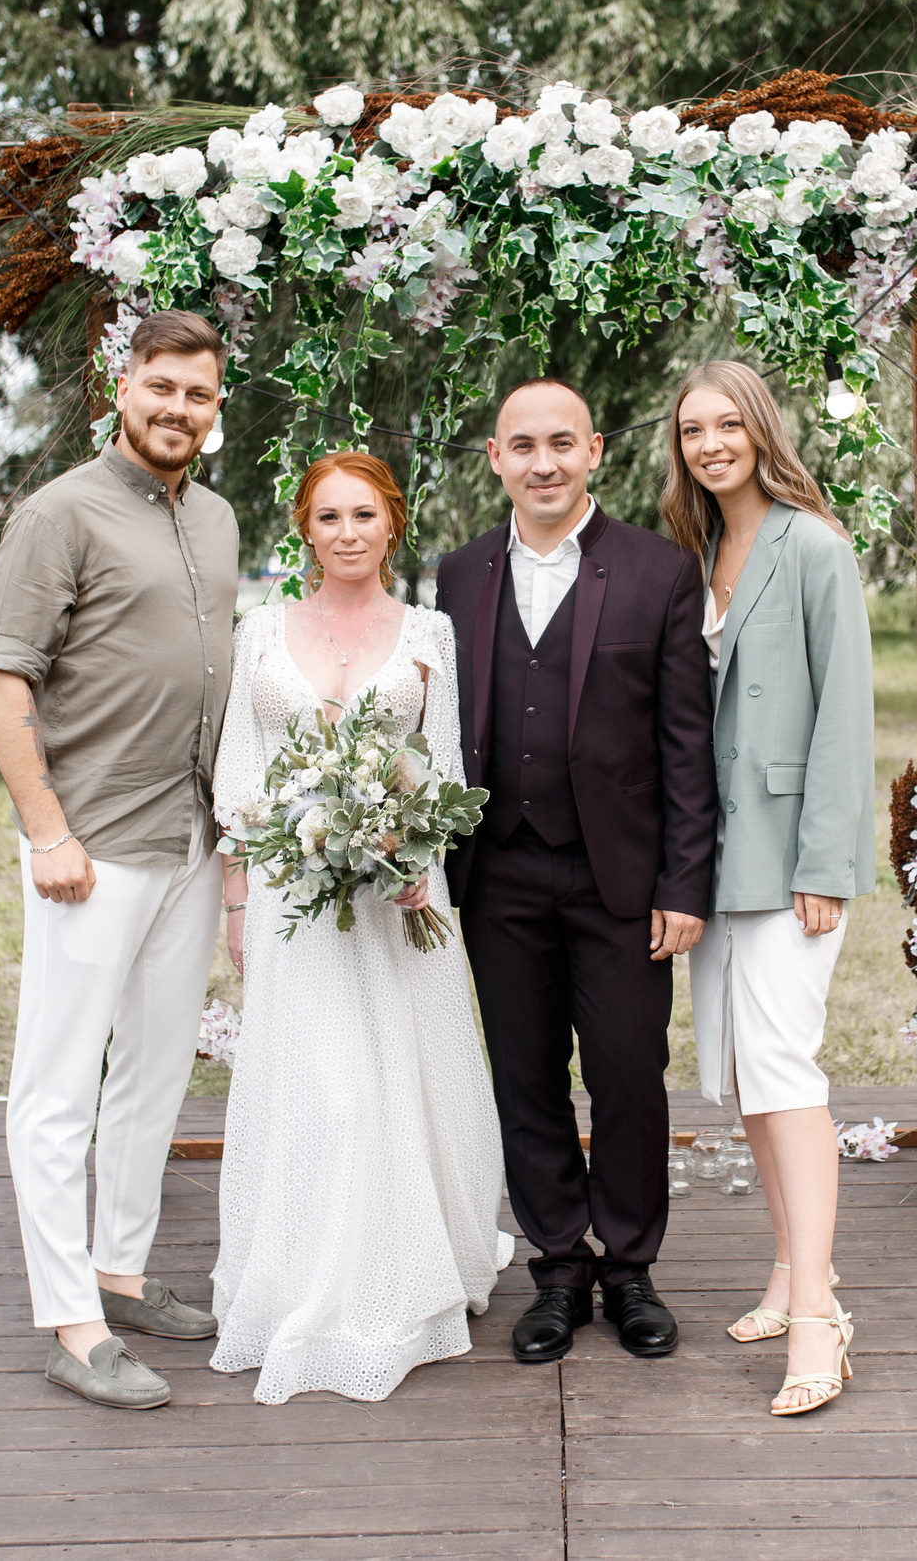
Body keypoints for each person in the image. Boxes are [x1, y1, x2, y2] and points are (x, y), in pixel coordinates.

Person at [0, 310, 237, 1410]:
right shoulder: (59, 512)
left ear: (214, 408)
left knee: (156, 1067)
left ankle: (121, 1273)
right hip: (90, 842)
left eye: (198, 394)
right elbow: (4, 676)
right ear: (122, 387)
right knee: (56, 1084)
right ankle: (72, 1324)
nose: (179, 408)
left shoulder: (216, 517)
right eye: (161, 386)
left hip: (190, 836)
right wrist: (47, 830)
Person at [207, 451, 509, 1404]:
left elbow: (443, 765)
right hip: (292, 898)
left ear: (392, 524)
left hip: (396, 895)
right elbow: (240, 769)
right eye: (329, 516)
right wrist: (238, 899)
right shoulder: (261, 630)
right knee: (319, 1087)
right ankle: (306, 1280)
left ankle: (401, 1268)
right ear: (304, 527)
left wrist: (417, 858)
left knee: (391, 1078)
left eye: (364, 515)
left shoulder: (428, 632)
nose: (347, 532)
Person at [434, 378, 719, 1366]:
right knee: (524, 1076)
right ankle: (558, 1265)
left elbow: (687, 744)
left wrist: (684, 882)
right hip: (498, 872)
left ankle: (630, 1266)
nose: (543, 462)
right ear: (495, 457)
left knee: (628, 1072)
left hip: (622, 878)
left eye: (562, 442)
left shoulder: (658, 571)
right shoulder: (457, 575)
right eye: (523, 445)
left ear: (594, 450)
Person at [663, 359, 876, 1417]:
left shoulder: (814, 546)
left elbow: (845, 712)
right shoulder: (695, 552)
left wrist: (824, 866)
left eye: (726, 425)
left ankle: (819, 1321)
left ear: (760, 430)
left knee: (786, 1071)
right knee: (746, 1076)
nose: (710, 444)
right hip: (714, 859)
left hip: (792, 858)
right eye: (692, 430)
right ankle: (794, 1271)